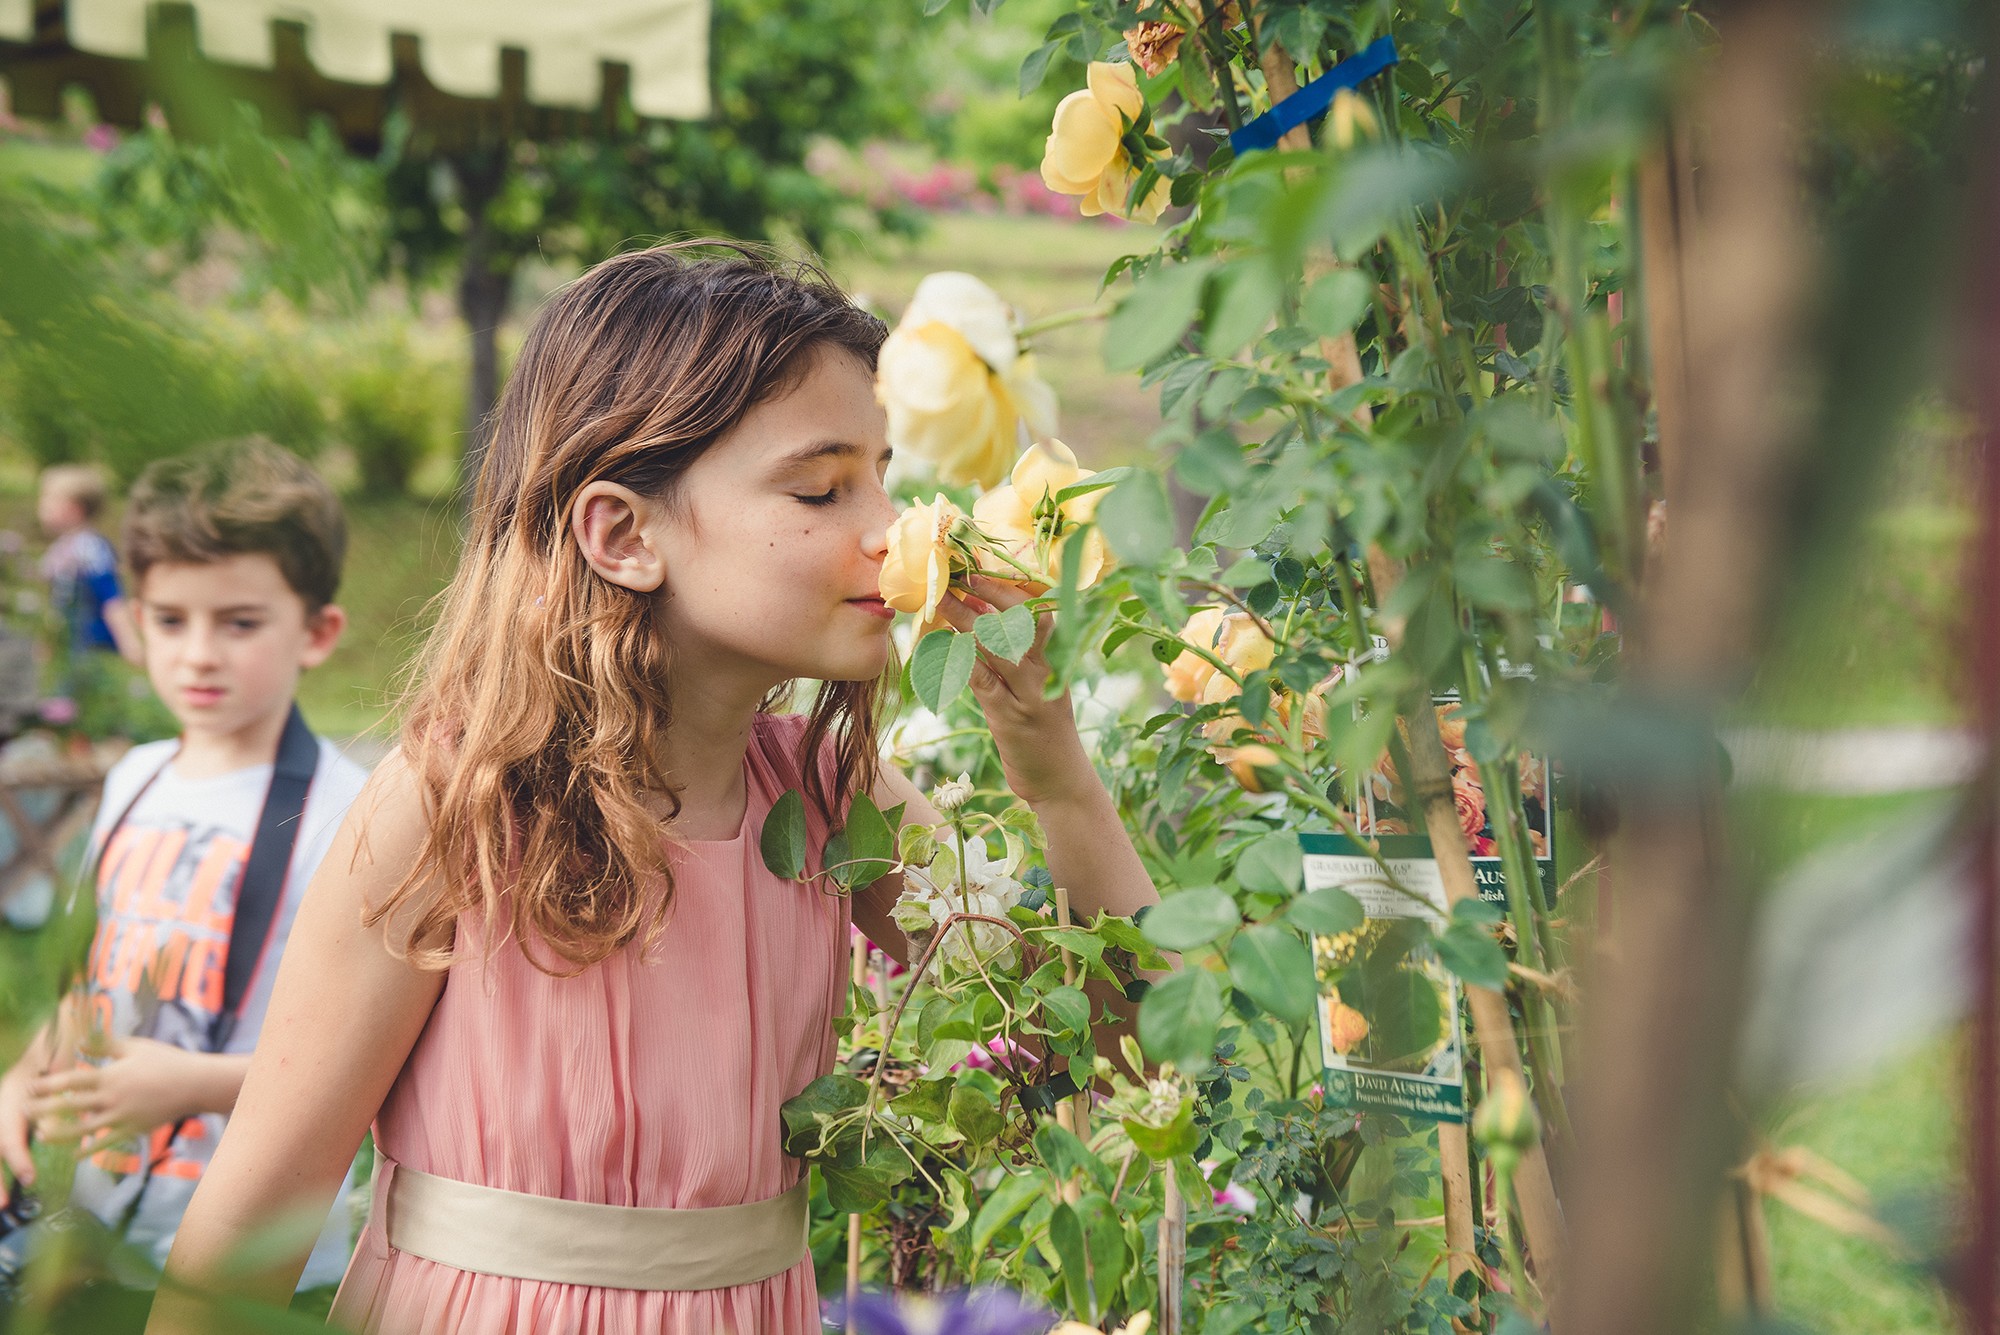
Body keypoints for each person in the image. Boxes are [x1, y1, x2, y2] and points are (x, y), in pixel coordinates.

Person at [149, 243, 1162, 1334]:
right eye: (821, 488)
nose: (883, 529)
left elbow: (1118, 1054)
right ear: (623, 535)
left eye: (883, 477)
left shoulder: (830, 804)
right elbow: (249, 1228)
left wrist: (1053, 774)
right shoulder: (451, 812)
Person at [0, 441, 368, 1301]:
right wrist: (21, 1080)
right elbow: (88, 983)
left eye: (239, 623)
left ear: (317, 632)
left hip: (252, 1261)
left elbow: (366, 1064)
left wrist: (192, 1083)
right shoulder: (134, 776)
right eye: (171, 620)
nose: (199, 654)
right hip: (87, 1235)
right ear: (136, 622)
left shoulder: (348, 814)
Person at [38, 462, 137, 663]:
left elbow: (111, 598)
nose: (41, 505)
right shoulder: (60, 549)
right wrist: (47, 642)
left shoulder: (90, 549)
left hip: (94, 646)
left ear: (74, 509)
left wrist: (130, 644)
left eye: (49, 499)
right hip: (69, 644)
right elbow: (56, 603)